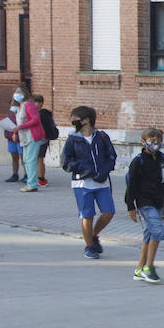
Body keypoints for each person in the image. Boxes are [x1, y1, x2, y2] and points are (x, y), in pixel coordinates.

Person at [124, 128, 164, 284]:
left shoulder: (163, 159)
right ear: (143, 141)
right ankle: (149, 268)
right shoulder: (138, 161)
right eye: (152, 139)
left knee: (149, 235)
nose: (156, 142)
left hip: (158, 200)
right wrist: (130, 207)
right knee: (157, 232)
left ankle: (139, 269)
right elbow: (131, 185)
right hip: (144, 202)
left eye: (158, 139)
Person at [61, 106, 118, 260]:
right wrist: (88, 171)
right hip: (82, 182)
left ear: (86, 120)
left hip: (102, 182)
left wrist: (103, 171)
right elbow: (66, 162)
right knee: (87, 215)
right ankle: (89, 246)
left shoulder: (102, 136)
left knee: (109, 212)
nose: (73, 122)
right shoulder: (73, 138)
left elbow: (111, 156)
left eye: (75, 119)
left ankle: (93, 235)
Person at [13, 87, 44, 192]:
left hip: (32, 135)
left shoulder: (29, 105)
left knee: (30, 160)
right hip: (24, 136)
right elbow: (19, 122)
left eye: (19, 92)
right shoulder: (20, 106)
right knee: (26, 160)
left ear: (24, 93)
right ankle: (31, 182)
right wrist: (15, 132)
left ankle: (32, 184)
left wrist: (20, 128)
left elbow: (35, 120)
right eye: (15, 92)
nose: (16, 94)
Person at [31, 93, 55, 187]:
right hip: (40, 138)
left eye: (36, 102)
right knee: (38, 158)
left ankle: (41, 179)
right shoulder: (41, 114)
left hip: (41, 139)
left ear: (41, 103)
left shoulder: (42, 114)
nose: (34, 104)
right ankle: (39, 177)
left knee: (39, 158)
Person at [3, 100, 22, 182]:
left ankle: (27, 175)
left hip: (19, 138)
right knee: (14, 157)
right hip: (10, 137)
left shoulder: (21, 112)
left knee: (23, 158)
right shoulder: (10, 113)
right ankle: (15, 174)